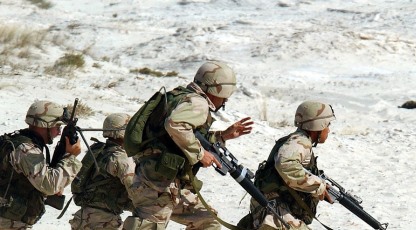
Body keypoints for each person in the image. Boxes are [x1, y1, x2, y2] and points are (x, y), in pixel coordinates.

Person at [123, 61, 254, 229]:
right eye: (225, 96)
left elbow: (181, 136)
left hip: (168, 183)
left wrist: (223, 135)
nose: (225, 100)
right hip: (157, 184)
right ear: (217, 89)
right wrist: (200, 154)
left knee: (208, 221)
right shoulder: (198, 102)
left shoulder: (181, 97)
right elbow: (175, 125)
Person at [249, 101, 336, 230]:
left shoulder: (298, 140)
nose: (328, 130)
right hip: (273, 211)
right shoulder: (300, 142)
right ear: (319, 125)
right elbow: (285, 164)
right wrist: (318, 186)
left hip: (274, 207)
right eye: (327, 125)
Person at [0, 100, 82, 229]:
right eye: (57, 127)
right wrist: (71, 157)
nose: (59, 133)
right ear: (46, 125)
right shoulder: (26, 149)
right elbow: (49, 185)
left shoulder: (17, 141)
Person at [69, 113, 135, 230]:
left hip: (83, 218)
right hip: (104, 222)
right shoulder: (121, 158)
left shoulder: (99, 152)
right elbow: (137, 192)